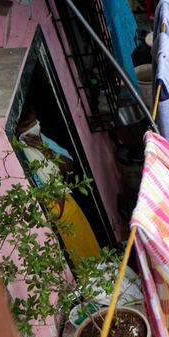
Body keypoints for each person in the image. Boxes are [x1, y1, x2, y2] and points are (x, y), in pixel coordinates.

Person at [15, 108, 101, 267]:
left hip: (66, 203)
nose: (34, 126)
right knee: (73, 256)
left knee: (89, 250)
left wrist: (43, 148)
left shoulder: (42, 139)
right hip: (51, 210)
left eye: (35, 122)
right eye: (28, 125)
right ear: (18, 129)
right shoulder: (17, 152)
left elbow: (69, 166)